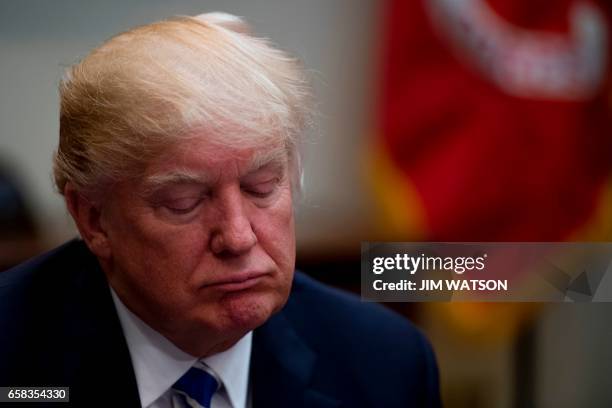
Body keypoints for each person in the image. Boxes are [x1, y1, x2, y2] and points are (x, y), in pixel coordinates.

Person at [0, 12, 440, 408]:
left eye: (261, 187)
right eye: (184, 202)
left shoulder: (386, 362)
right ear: (93, 218)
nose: (238, 236)